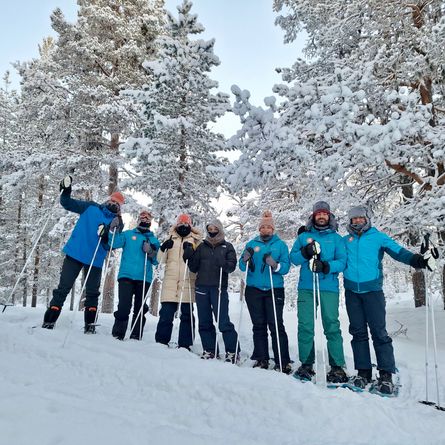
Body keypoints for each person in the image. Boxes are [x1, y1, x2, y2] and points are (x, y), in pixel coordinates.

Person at [343, 205, 433, 394]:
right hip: (352, 292)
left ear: (367, 219)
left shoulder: (378, 237)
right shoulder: (346, 240)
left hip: (373, 292)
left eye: (360, 218)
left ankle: (386, 373)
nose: (357, 221)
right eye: (354, 219)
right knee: (358, 332)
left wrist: (416, 260)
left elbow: (398, 252)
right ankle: (363, 372)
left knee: (379, 332)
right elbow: (330, 251)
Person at [42, 176, 124, 333]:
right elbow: (67, 203)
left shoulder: (117, 222)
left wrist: (107, 234)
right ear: (108, 200)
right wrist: (66, 190)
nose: (113, 204)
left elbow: (112, 245)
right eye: (112, 201)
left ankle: (90, 326)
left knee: (92, 293)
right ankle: (49, 322)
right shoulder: (91, 207)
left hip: (95, 260)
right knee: (63, 288)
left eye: (117, 204)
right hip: (76, 253)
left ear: (120, 207)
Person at [290, 201, 348, 383]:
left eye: (324, 214)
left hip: (328, 288)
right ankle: (306, 364)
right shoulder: (304, 237)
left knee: (331, 325)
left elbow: (343, 262)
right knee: (305, 325)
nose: (321, 216)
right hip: (307, 287)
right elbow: (293, 258)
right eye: (318, 214)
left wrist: (326, 266)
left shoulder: (337, 238)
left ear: (329, 216)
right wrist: (306, 252)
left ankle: (337, 366)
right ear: (313, 216)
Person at [239, 210, 292, 374]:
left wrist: (275, 265)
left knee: (276, 325)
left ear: (273, 229)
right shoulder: (252, 243)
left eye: (269, 227)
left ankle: (282, 361)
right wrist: (245, 259)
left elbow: (286, 267)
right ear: (259, 229)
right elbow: (241, 267)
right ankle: (261, 358)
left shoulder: (280, 245)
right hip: (254, 289)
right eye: (263, 227)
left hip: (273, 289)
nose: (266, 230)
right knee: (258, 325)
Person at [185, 219, 239, 362]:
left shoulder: (227, 247)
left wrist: (225, 263)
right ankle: (210, 349)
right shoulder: (202, 247)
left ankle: (232, 351)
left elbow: (232, 266)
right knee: (204, 321)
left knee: (223, 321)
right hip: (202, 287)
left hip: (219, 288)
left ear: (220, 230)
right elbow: (193, 268)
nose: (212, 231)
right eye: (210, 228)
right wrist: (189, 255)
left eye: (215, 228)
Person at [110, 209, 160, 340]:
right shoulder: (128, 234)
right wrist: (112, 231)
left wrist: (150, 251)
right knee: (124, 306)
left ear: (150, 222)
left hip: (144, 277)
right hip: (126, 275)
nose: (144, 219)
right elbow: (113, 243)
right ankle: (118, 334)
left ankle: (136, 335)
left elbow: (156, 260)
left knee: (140, 308)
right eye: (142, 217)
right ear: (138, 219)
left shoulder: (154, 240)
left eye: (147, 218)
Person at [154, 214, 202, 349]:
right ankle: (161, 342)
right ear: (176, 225)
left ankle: (185, 344)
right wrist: (163, 248)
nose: (183, 226)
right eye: (180, 223)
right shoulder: (170, 238)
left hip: (187, 282)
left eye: (186, 224)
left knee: (187, 315)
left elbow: (199, 262)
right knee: (166, 313)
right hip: (170, 282)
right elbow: (160, 260)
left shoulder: (196, 241)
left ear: (190, 226)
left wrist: (191, 252)